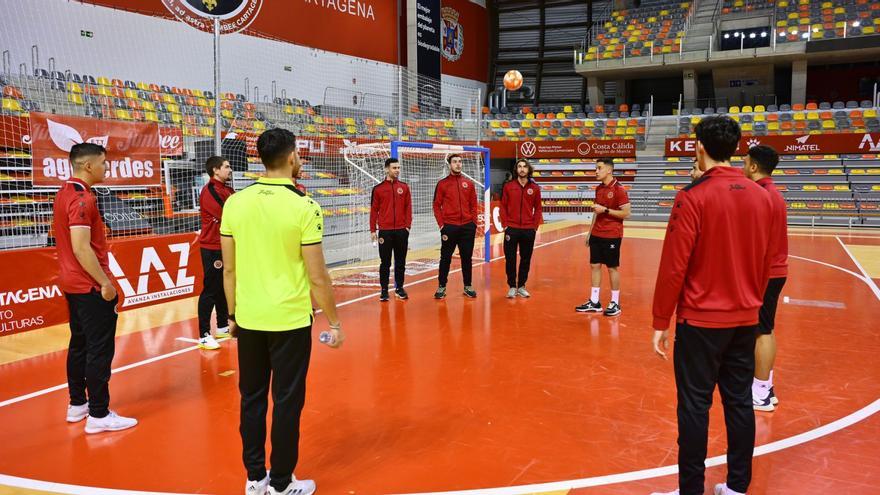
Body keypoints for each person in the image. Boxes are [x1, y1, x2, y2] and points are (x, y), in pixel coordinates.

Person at [650, 116, 779, 495]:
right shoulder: (762, 197)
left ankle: (691, 490)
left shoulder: (692, 197)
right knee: (739, 402)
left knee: (693, 406)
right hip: (745, 319)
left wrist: (661, 320)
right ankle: (737, 486)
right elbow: (767, 262)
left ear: (699, 147)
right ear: (736, 149)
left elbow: (674, 266)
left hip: (701, 322)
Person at [220, 128, 344, 495]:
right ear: (291, 157)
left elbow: (229, 269)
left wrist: (232, 316)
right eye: (299, 155)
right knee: (287, 402)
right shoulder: (304, 206)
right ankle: (281, 482)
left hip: (250, 318)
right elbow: (318, 275)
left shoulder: (235, 203)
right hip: (289, 320)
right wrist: (335, 322)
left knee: (252, 398)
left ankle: (254, 478)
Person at [53, 143, 137, 434]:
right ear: (88, 166)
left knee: (79, 344)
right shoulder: (82, 199)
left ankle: (78, 405)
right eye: (103, 163)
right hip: (89, 285)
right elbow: (80, 246)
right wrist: (104, 282)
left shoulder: (64, 193)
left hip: (71, 283)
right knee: (99, 350)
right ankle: (99, 414)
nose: (106, 168)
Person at [743, 144, 788, 412]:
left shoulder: (761, 195)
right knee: (765, 329)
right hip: (774, 270)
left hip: (766, 272)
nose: (742, 166)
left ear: (754, 166)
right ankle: (766, 387)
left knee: (762, 332)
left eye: (745, 162)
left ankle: (760, 392)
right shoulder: (772, 193)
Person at [575, 157, 631, 316]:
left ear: (609, 170)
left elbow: (626, 213)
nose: (596, 171)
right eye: (596, 168)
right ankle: (594, 301)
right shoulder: (598, 189)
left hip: (612, 234)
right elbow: (596, 212)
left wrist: (605, 210)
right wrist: (590, 231)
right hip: (597, 233)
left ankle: (615, 302)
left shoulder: (619, 189)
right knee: (594, 265)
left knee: (612, 267)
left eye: (599, 168)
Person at [196, 156, 234, 350]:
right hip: (212, 247)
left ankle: (222, 326)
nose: (230, 169)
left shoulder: (227, 189)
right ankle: (203, 335)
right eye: (226, 167)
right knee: (210, 289)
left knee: (222, 287)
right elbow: (229, 215)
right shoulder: (209, 191)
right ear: (215, 170)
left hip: (225, 246)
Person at [432, 154, 480, 299]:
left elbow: (473, 205)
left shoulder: (468, 183)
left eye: (460, 162)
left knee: (467, 258)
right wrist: (442, 225)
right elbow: (436, 205)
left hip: (467, 227)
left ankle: (468, 285)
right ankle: (441, 287)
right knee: (445, 258)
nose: (458, 164)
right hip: (449, 227)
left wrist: (473, 223)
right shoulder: (442, 184)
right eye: (455, 162)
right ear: (449, 164)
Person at [370, 158, 412, 301]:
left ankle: (399, 288)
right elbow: (373, 211)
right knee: (385, 263)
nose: (397, 170)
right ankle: (384, 290)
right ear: (387, 169)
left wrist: (407, 227)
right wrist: (372, 230)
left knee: (401, 262)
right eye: (394, 168)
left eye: (398, 168)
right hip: (385, 232)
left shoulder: (404, 187)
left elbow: (408, 209)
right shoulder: (378, 189)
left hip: (401, 231)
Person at [500, 158, 543, 298]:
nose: (522, 169)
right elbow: (503, 207)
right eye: (519, 166)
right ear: (516, 169)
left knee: (526, 259)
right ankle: (512, 286)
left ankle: (522, 286)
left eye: (525, 166)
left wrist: (534, 226)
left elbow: (538, 209)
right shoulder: (508, 186)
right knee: (510, 258)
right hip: (511, 228)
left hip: (528, 229)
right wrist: (505, 224)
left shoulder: (535, 188)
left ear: (528, 169)